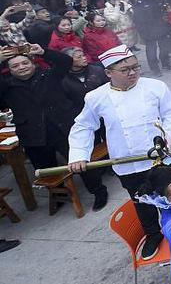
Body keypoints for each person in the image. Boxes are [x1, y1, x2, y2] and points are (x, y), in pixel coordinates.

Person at [68, 45, 171, 259]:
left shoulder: (155, 87)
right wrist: (79, 156)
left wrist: (169, 138)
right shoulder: (95, 97)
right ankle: (153, 235)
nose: (133, 73)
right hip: (127, 162)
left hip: (160, 157)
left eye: (135, 67)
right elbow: (83, 126)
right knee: (141, 201)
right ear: (109, 73)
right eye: (125, 69)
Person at [0, 44, 109, 211]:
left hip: (63, 128)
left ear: (32, 63)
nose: (21, 67)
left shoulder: (49, 74)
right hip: (33, 134)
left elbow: (65, 61)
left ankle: (98, 191)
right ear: (9, 70)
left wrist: (44, 52)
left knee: (81, 162)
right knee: (46, 169)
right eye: (15, 66)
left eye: (25, 63)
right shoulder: (7, 87)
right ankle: (59, 196)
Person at [137, 0, 171, 76]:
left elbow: (163, 13)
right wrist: (141, 31)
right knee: (151, 50)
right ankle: (155, 68)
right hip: (148, 29)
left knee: (164, 47)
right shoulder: (141, 2)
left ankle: (165, 63)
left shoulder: (159, 0)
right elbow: (137, 18)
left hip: (161, 27)